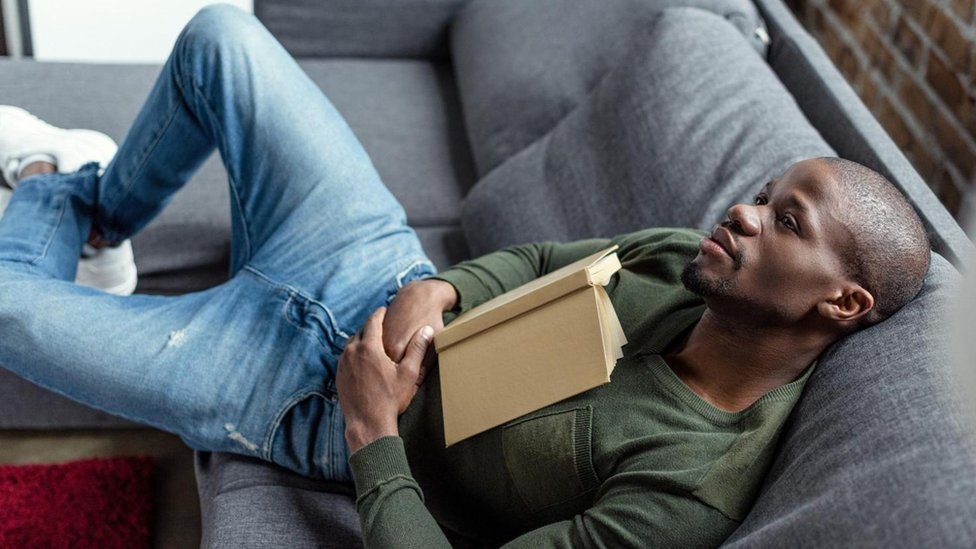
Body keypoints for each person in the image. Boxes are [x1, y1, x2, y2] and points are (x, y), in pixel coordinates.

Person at [0, 5, 930, 548]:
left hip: (305, 404)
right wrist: (441, 290)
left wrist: (369, 428)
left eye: (786, 221)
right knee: (220, 40)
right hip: (372, 264)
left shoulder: (687, 489)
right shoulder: (688, 263)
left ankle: (48, 190)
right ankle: (105, 215)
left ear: (840, 300)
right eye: (767, 195)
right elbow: (532, 263)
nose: (744, 212)